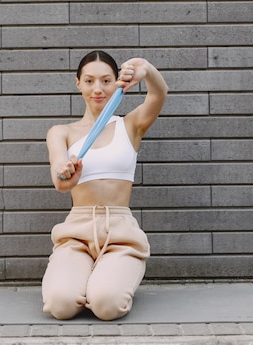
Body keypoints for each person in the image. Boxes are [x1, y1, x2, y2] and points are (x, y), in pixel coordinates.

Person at [41, 50, 168, 321]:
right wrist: (66, 176)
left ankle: (110, 275)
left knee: (107, 305)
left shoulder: (130, 126)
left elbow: (159, 95)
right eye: (89, 81)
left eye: (106, 81)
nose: (97, 89)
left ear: (116, 83)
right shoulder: (61, 132)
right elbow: (59, 181)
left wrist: (146, 69)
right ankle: (88, 275)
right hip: (77, 232)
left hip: (120, 233)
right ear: (78, 83)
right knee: (59, 305)